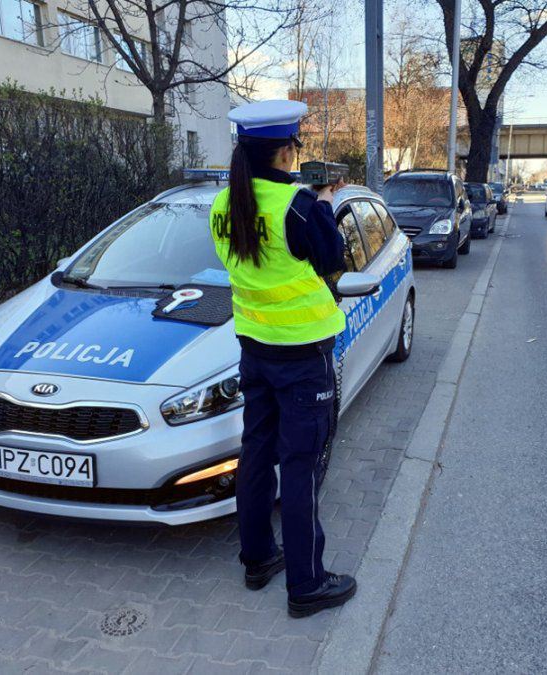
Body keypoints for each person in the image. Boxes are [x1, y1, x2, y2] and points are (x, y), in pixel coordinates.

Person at [209, 99, 357, 618]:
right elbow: (333, 261)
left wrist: (314, 203)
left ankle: (257, 559)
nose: (299, 153)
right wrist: (324, 206)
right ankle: (307, 584)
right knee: (300, 465)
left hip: (254, 350)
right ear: (284, 150)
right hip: (302, 357)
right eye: (297, 145)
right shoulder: (301, 207)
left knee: (255, 451)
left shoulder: (223, 205)